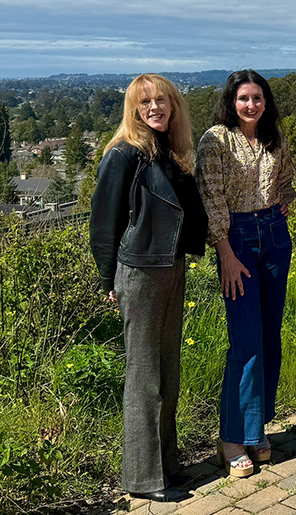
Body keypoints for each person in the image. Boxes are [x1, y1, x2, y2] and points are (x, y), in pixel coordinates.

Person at [91, 74, 208, 502]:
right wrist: (108, 280)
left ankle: (166, 466)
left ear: (173, 106)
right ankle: (142, 479)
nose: (155, 108)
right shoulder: (123, 155)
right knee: (144, 378)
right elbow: (103, 224)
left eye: (162, 100)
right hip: (139, 273)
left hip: (170, 267)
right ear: (134, 110)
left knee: (168, 372)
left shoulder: (169, 153)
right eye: (146, 103)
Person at [196, 70, 296, 478]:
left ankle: (257, 429)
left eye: (257, 97)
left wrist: (285, 200)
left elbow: (287, 178)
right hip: (235, 238)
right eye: (244, 98)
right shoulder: (215, 140)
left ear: (266, 101)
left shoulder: (275, 137)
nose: (251, 105)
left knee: (270, 336)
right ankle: (232, 437)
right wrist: (225, 252)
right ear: (231, 101)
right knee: (246, 341)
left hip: (274, 234)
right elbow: (210, 198)